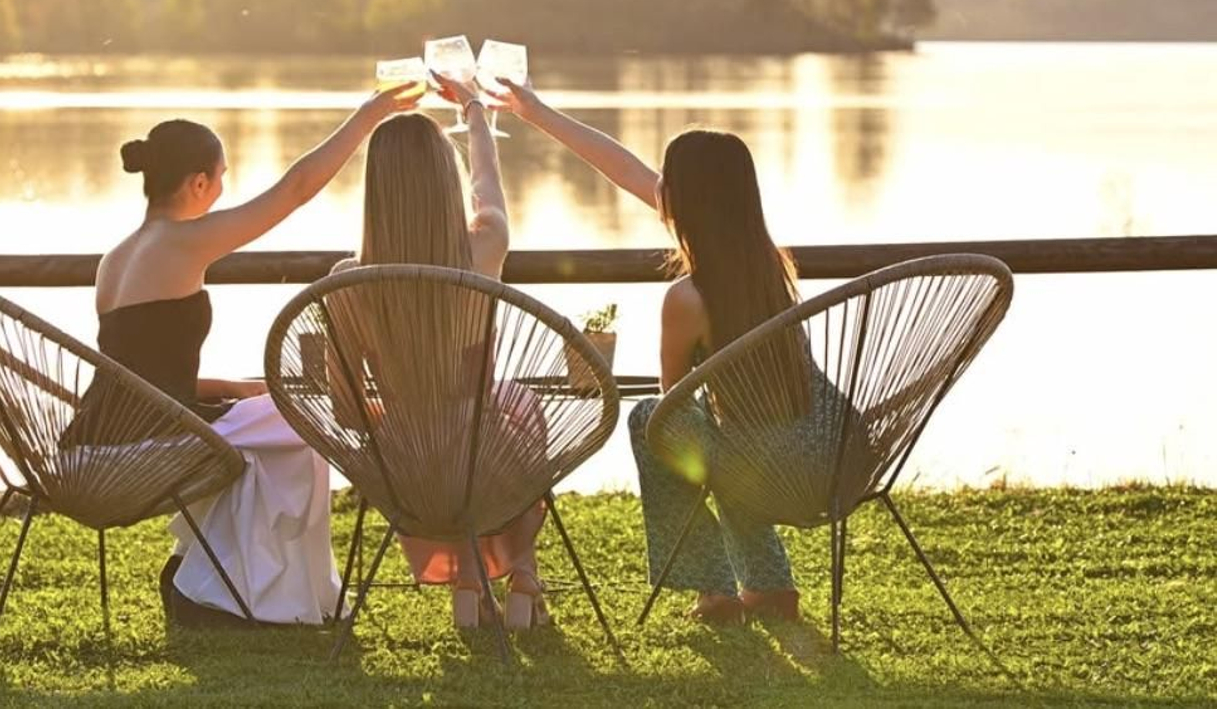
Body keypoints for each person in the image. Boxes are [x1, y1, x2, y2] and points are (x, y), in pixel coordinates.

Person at [74, 83, 419, 627]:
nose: (223, 190)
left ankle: (210, 578)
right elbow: (297, 188)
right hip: (141, 441)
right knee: (305, 424)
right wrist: (370, 115)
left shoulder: (118, 256)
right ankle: (238, 593)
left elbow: (142, 372)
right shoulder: (181, 242)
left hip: (108, 429)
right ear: (198, 182)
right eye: (223, 177)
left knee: (278, 419)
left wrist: (238, 389)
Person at [494, 78, 831, 625]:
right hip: (822, 458)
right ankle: (771, 587)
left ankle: (715, 592)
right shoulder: (767, 264)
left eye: (666, 181)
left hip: (770, 473)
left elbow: (673, 407)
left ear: (682, 199)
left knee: (655, 421)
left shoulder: (690, 297)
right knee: (729, 437)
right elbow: (625, 170)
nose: (656, 187)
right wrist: (535, 113)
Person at [331, 73, 550, 631]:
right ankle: (520, 573)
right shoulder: (485, 248)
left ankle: (470, 580)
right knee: (516, 405)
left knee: (471, 428)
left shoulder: (347, 283)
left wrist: (405, 414)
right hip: (487, 454)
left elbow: (345, 411)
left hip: (404, 468)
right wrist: (475, 112)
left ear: (374, 190)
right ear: (442, 180)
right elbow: (489, 187)